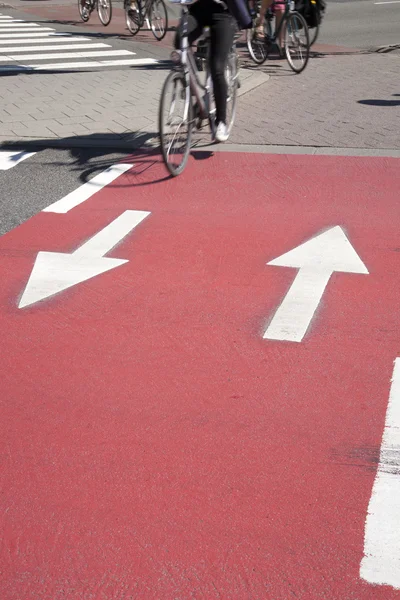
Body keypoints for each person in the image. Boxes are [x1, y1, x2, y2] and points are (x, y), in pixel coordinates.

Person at [175, 0, 251, 143]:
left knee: (217, 67)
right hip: (197, 13)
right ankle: (191, 87)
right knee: (179, 41)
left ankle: (221, 122)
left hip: (222, 14)